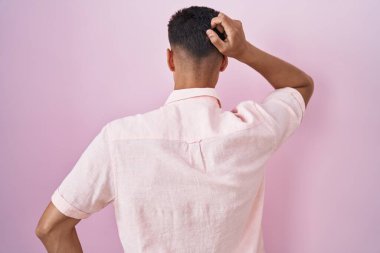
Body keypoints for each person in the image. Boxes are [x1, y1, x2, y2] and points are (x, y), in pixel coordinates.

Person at [35, 6, 314, 253]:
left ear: (170, 59)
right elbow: (300, 85)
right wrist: (244, 50)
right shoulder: (254, 128)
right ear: (224, 62)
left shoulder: (119, 139)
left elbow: (50, 229)